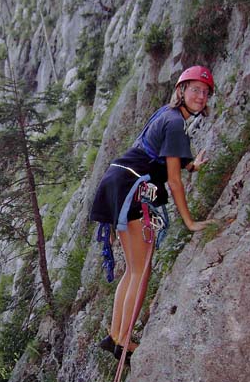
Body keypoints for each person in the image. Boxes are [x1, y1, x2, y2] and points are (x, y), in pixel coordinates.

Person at [90, 65, 216, 363]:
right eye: (195, 89)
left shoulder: (167, 115)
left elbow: (162, 155)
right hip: (132, 187)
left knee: (133, 269)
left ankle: (116, 336)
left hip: (118, 181)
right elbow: (172, 181)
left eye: (205, 91)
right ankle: (122, 341)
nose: (200, 96)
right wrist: (190, 221)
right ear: (181, 91)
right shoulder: (175, 123)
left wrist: (191, 166)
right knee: (141, 270)